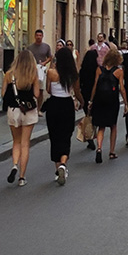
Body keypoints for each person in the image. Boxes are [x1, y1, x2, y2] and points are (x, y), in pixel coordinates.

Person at [3, 49, 42, 187]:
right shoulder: (33, 74)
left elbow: (3, 94)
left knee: (16, 142)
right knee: (25, 143)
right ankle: (22, 177)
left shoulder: (9, 74)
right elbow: (36, 94)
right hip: (28, 111)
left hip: (13, 110)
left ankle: (14, 164)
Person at [45, 46, 83, 186]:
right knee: (66, 135)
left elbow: (49, 90)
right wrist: (82, 102)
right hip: (67, 105)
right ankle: (63, 164)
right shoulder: (73, 74)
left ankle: (58, 168)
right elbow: (77, 92)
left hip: (54, 105)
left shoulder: (51, 72)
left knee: (54, 136)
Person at [90, 45, 127, 162]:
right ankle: (111, 151)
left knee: (101, 126)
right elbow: (122, 88)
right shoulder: (119, 71)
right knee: (113, 126)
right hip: (112, 100)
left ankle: (99, 148)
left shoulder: (99, 69)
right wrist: (126, 103)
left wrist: (91, 100)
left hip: (99, 99)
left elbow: (95, 86)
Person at [78, 47, 100, 149]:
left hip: (85, 94)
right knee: (94, 117)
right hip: (95, 94)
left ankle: (89, 137)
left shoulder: (82, 70)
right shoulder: (97, 69)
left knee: (87, 115)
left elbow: (79, 83)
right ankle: (93, 135)